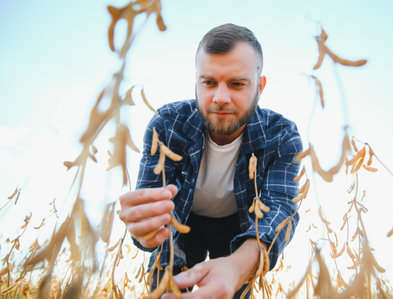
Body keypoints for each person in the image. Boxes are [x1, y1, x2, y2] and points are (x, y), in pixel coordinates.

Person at [119, 23, 303, 299]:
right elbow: (149, 226)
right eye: (209, 82)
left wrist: (237, 268)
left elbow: (279, 210)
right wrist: (143, 228)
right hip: (182, 224)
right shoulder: (167, 125)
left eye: (237, 84)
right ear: (196, 81)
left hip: (241, 228)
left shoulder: (282, 136)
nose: (220, 97)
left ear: (260, 86)